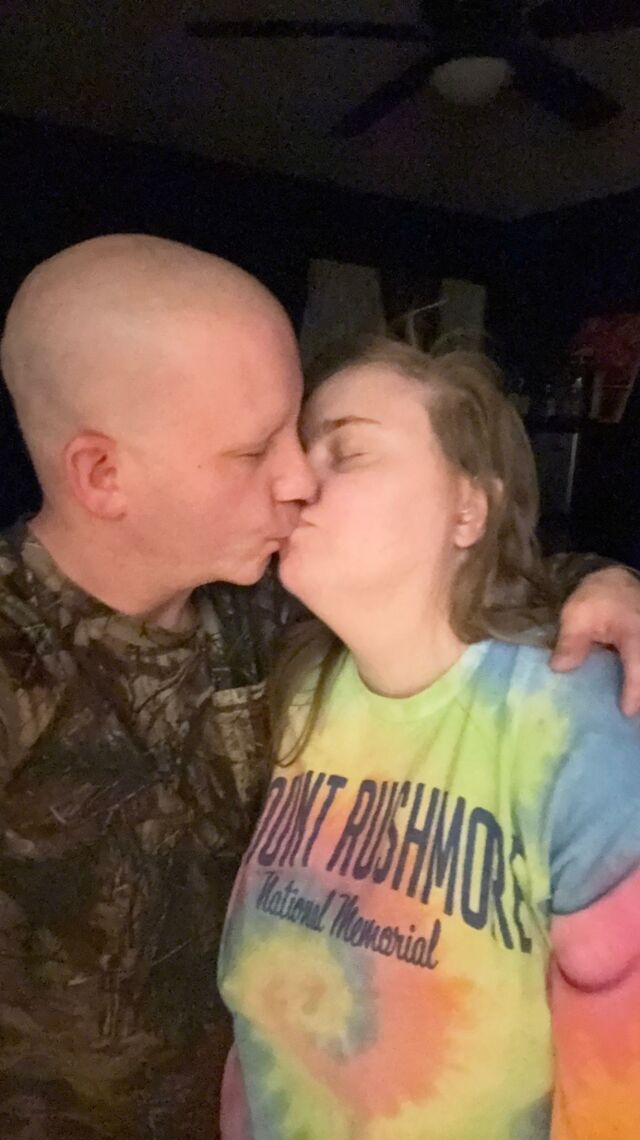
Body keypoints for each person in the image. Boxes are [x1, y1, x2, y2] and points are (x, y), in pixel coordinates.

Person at [0, 236, 637, 1140]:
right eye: (253, 450)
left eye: (303, 438)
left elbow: (465, 585)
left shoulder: (275, 603)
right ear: (104, 476)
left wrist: (610, 583)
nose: (297, 481)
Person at [219, 339, 640, 1139]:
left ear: (468, 509)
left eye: (348, 451)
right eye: (299, 454)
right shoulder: (298, 690)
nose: (297, 482)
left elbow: (622, 1093)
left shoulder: (578, 722)